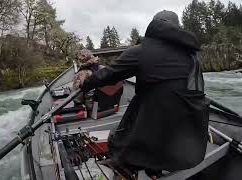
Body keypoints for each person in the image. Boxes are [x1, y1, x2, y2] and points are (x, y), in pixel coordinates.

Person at [80, 10, 209, 179]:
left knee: (116, 132)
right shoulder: (191, 56)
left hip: (155, 122)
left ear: (155, 25)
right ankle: (153, 169)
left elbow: (110, 74)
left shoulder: (140, 51)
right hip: (187, 125)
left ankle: (123, 160)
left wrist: (86, 83)